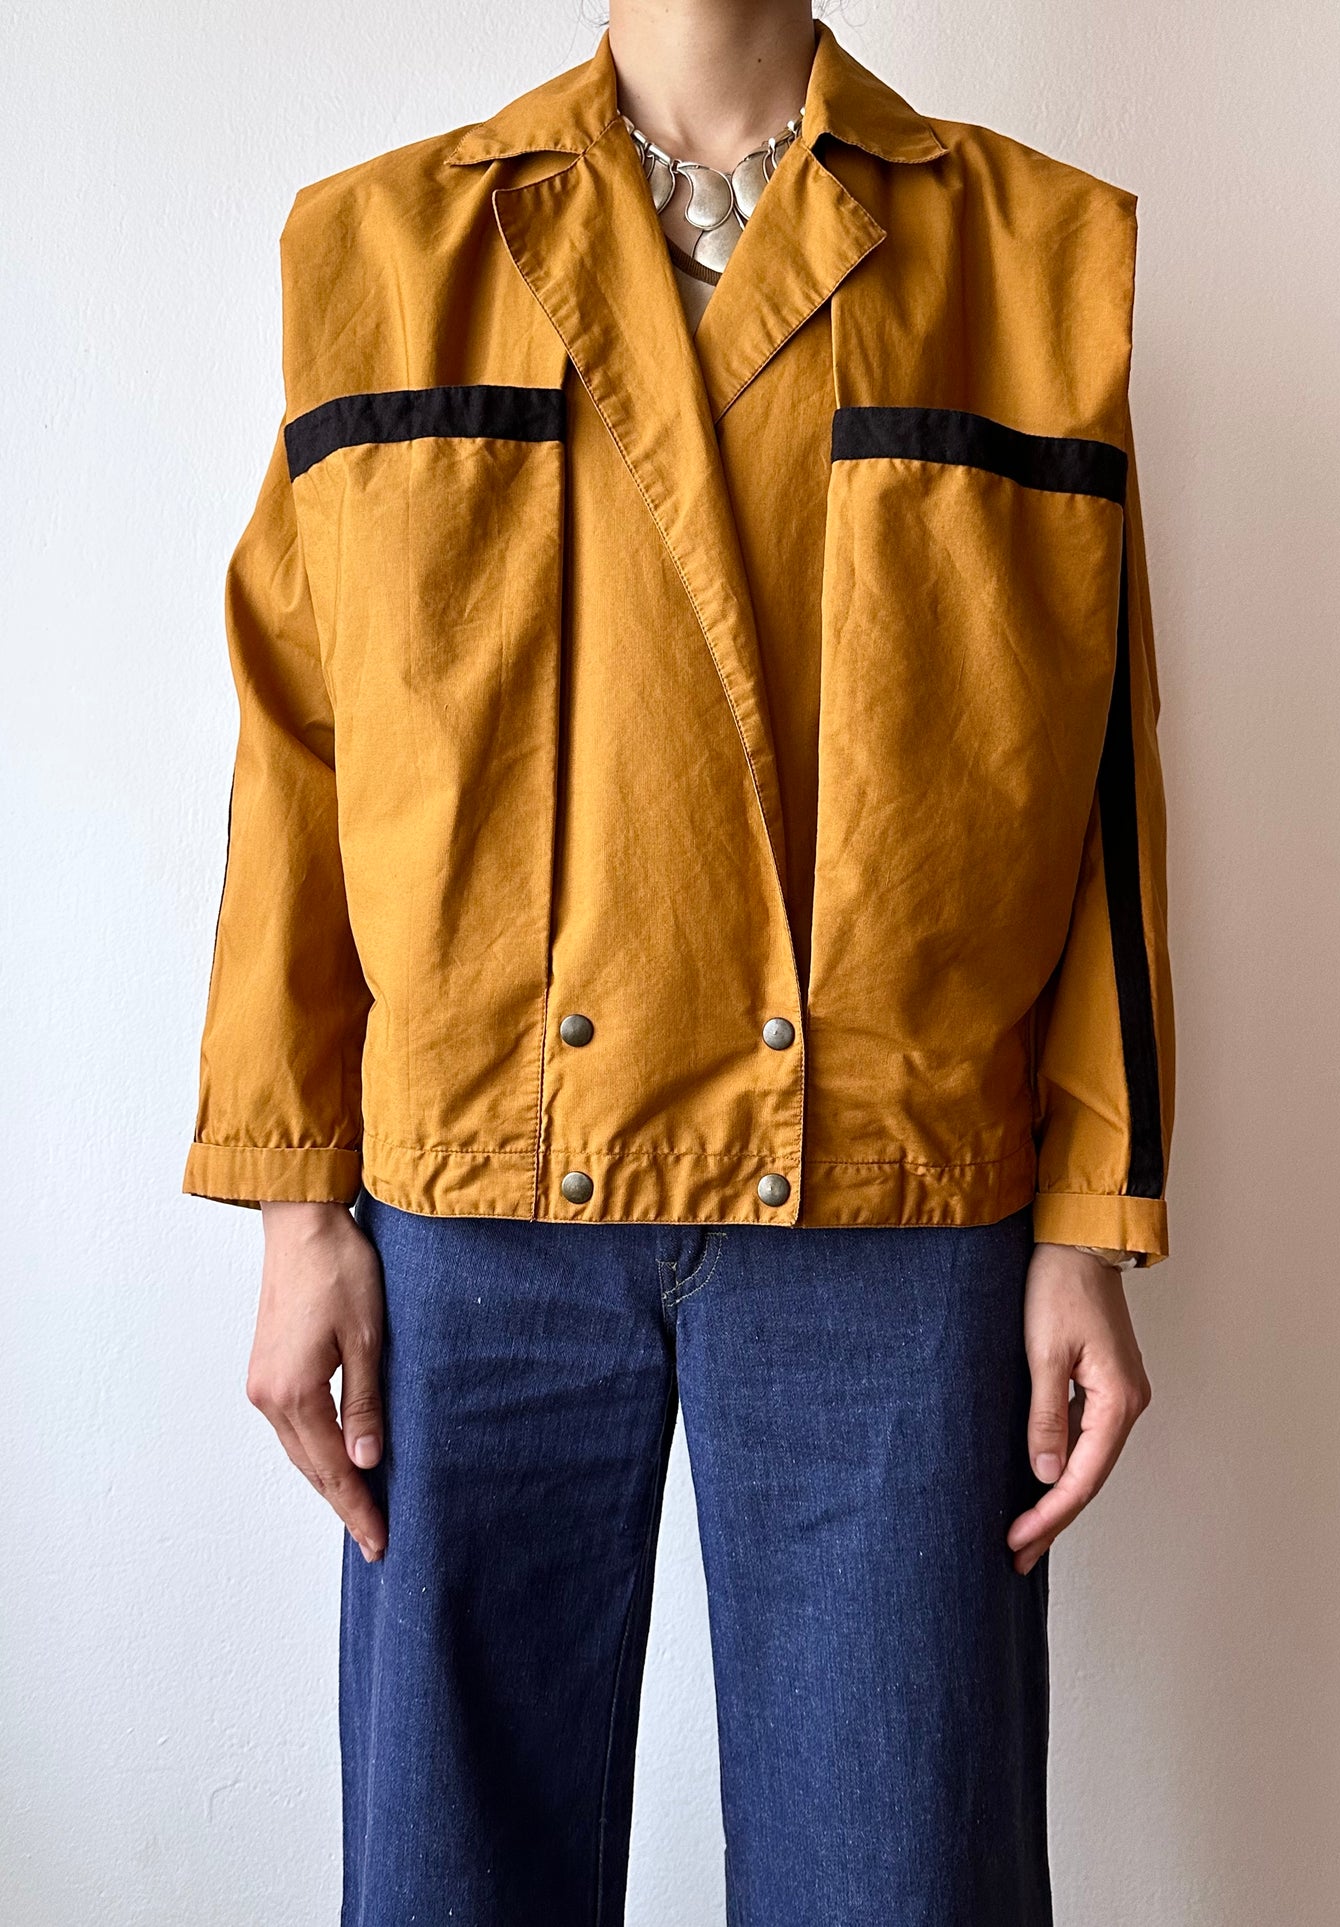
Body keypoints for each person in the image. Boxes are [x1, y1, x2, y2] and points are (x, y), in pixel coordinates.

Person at [184, 2, 1172, 1920]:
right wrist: (298, 1209)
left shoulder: (1032, 253)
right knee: (449, 1873)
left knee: (898, 1875)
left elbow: (1100, 787)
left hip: (895, 1198)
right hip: (473, 1201)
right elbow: (297, 759)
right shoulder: (383, 244)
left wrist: (1087, 1217)